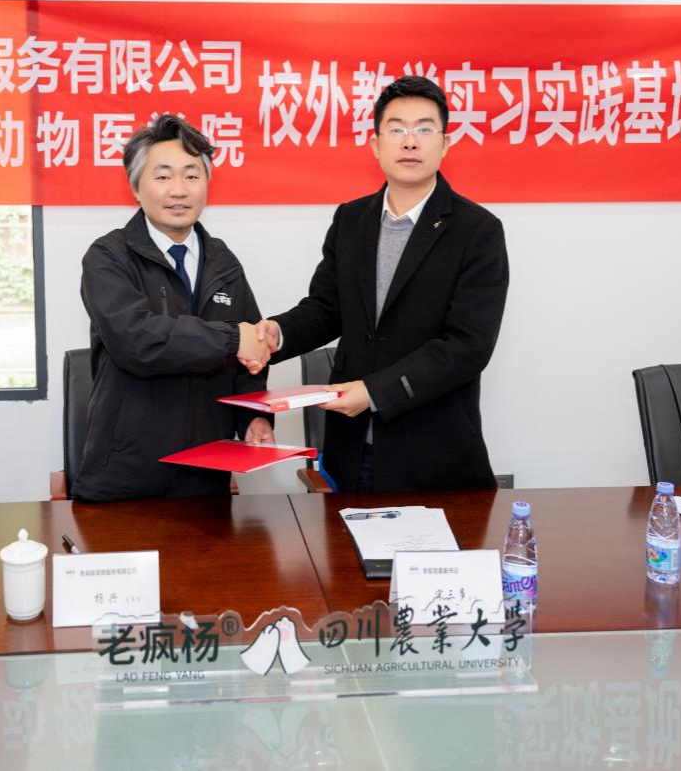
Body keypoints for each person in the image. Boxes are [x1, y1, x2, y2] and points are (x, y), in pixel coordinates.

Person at [259, 75, 509, 491]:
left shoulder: (477, 230)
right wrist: (277, 333)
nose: (409, 142)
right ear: (375, 144)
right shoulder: (351, 219)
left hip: (434, 450)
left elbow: (468, 346)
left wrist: (375, 392)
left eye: (424, 129)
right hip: (352, 448)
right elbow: (327, 308)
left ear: (445, 144)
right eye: (396, 130)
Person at [72, 114, 273, 501]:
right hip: (126, 470)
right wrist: (232, 339)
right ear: (136, 188)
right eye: (163, 177)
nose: (179, 190)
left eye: (192, 176)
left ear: (207, 184)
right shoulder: (108, 256)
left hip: (207, 469)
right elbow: (137, 340)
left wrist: (253, 416)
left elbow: (251, 355)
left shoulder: (222, 260)